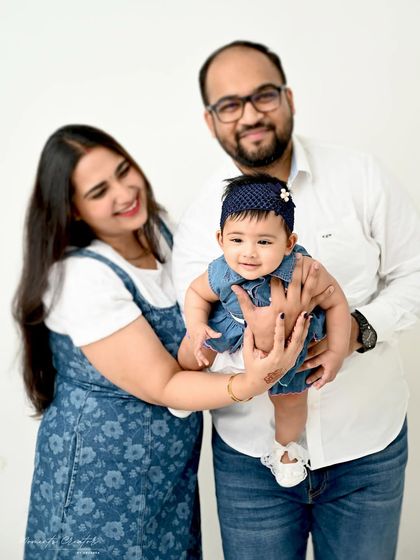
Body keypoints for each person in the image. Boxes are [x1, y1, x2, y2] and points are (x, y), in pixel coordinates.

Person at [13, 124, 315, 560]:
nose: (124, 192)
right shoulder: (82, 277)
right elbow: (166, 386)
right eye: (100, 190)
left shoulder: (160, 230)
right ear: (73, 209)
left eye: (123, 170)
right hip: (98, 484)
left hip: (164, 476)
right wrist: (252, 382)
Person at [172, 40, 420, 560]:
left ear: (287, 97)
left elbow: (414, 274)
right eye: (229, 104)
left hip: (366, 449)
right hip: (251, 463)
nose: (250, 115)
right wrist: (250, 349)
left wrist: (356, 329)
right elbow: (201, 328)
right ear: (211, 120)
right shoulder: (203, 221)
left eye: (263, 95)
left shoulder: (361, 176)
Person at [178, 173, 350, 488]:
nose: (249, 253)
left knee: (291, 401)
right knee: (193, 348)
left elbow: (338, 303)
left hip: (292, 342)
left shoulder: (306, 270)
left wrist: (337, 350)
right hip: (231, 326)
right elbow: (196, 293)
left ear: (289, 243)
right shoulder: (222, 271)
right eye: (237, 239)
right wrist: (197, 324)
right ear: (220, 240)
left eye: (264, 242)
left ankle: (287, 449)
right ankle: (184, 390)